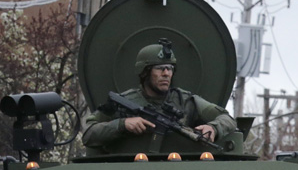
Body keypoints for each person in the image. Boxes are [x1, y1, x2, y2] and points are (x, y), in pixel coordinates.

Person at [83, 39, 237, 154]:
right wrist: (122, 124)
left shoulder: (185, 101)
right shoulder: (122, 102)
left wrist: (213, 128)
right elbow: (89, 134)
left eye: (170, 68)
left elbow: (227, 118)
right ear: (145, 72)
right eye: (160, 68)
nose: (166, 74)